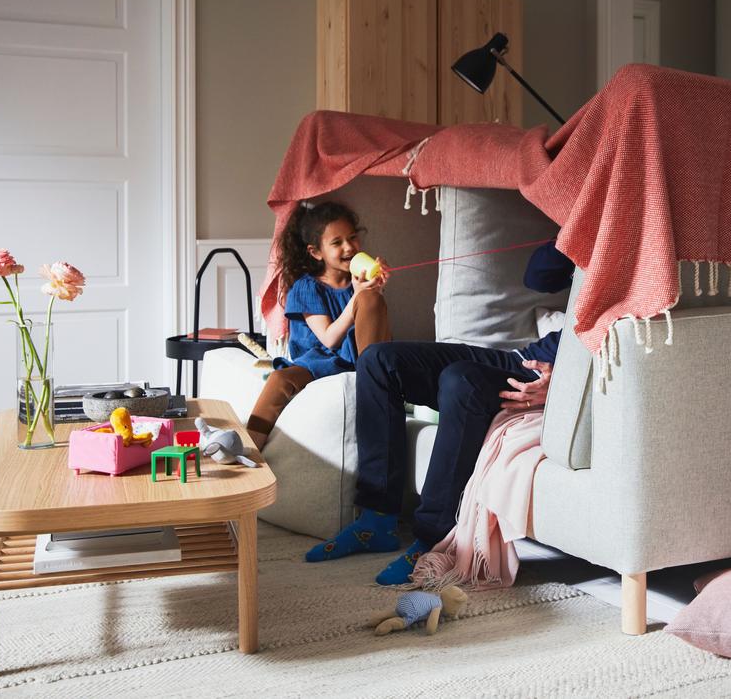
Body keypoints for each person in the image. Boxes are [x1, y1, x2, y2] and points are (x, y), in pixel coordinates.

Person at [305, 240, 574, 585]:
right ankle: (375, 521)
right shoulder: (596, 232)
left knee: (459, 379)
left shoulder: (647, 264)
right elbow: (539, 276)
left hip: (550, 374)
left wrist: (564, 382)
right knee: (378, 360)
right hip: (520, 358)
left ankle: (433, 540)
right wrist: (577, 226)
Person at [246, 201, 392, 450]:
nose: (349, 247)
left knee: (372, 299)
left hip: (358, 361)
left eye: (352, 238)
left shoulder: (358, 285)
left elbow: (374, 330)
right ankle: (249, 447)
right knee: (280, 379)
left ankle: (378, 380)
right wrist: (357, 297)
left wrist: (373, 294)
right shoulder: (306, 288)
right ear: (316, 252)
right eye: (337, 243)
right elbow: (329, 339)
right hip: (316, 363)